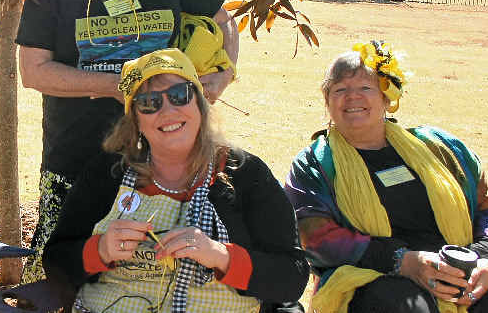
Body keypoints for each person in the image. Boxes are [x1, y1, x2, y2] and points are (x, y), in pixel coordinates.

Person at [16, 0, 239, 282]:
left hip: (165, 154)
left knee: (159, 270)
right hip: (77, 152)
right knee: (63, 272)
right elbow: (33, 71)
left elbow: (222, 18)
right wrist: (116, 84)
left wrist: (223, 74)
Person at [43, 48, 307, 313]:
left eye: (180, 95)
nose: (168, 111)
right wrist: (101, 250)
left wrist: (219, 256)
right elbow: (56, 263)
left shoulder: (244, 174)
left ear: (200, 104)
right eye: (149, 102)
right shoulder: (109, 173)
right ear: (135, 120)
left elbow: (291, 278)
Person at [284, 41, 488, 313]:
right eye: (340, 90)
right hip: (379, 276)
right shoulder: (315, 165)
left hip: (467, 272)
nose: (352, 97)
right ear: (327, 102)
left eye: (366, 88)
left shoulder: (439, 146)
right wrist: (403, 261)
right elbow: (314, 237)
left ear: (387, 98)